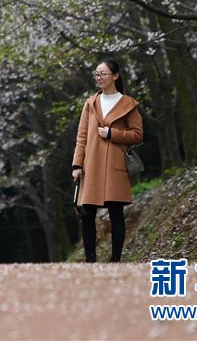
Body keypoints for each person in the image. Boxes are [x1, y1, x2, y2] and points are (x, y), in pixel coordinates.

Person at [72, 60, 144, 263]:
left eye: (103, 73)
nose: (99, 77)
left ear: (115, 76)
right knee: (87, 214)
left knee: (116, 213)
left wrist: (112, 133)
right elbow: (82, 136)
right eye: (96, 74)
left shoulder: (128, 104)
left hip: (114, 165)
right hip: (90, 164)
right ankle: (90, 260)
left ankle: (115, 260)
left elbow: (137, 135)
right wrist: (77, 165)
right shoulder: (90, 103)